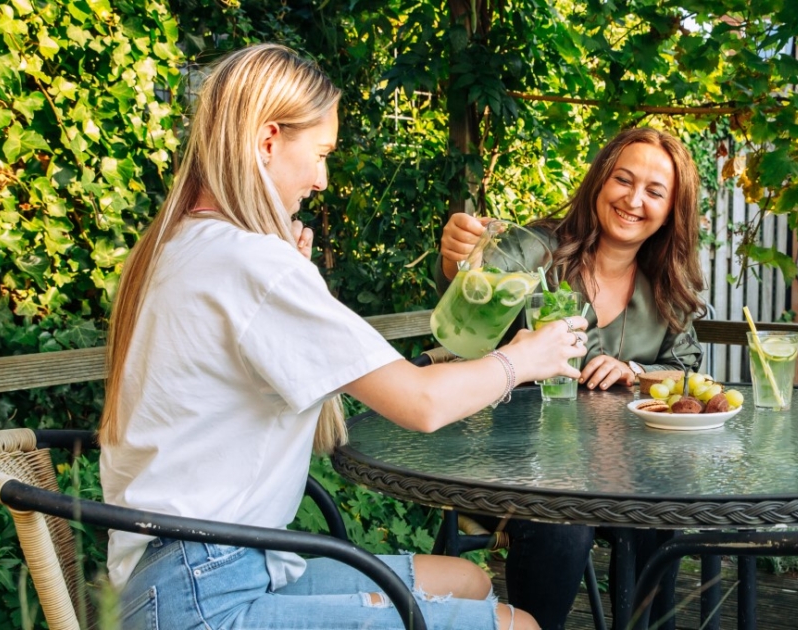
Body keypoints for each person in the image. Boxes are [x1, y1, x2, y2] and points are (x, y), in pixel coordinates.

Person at [98, 43, 581, 630]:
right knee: (520, 627)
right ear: (268, 141)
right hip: (205, 593)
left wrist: (301, 283)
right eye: (321, 153)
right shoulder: (251, 264)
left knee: (470, 579)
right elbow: (422, 403)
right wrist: (524, 358)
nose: (322, 179)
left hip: (185, 571)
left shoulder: (182, 244)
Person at [437, 127, 708, 629]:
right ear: (599, 182)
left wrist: (636, 370)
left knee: (666, 508)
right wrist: (456, 260)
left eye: (654, 191)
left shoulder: (668, 283)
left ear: (672, 208)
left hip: (625, 471)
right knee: (563, 521)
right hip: (521, 462)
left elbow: (687, 369)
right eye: (623, 180)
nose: (633, 200)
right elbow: (469, 293)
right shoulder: (538, 251)